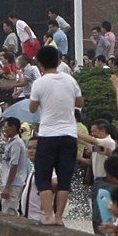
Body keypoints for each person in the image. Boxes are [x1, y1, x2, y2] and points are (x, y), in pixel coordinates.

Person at [28, 45, 83, 225]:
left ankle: (48, 215)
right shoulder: (70, 80)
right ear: (59, 61)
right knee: (64, 177)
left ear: (40, 64)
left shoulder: (40, 82)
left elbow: (32, 107)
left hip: (48, 134)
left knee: (43, 177)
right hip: (69, 134)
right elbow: (80, 101)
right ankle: (59, 216)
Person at [78, 119, 117, 233]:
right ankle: (98, 234)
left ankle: (102, 235)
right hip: (97, 181)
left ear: (103, 130)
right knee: (96, 212)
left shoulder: (108, 142)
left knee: (100, 214)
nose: (92, 134)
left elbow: (92, 141)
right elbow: (88, 144)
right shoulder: (100, 145)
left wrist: (74, 131)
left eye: (94, 131)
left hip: (105, 182)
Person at [0, 118, 28, 214]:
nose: (4, 130)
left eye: (6, 127)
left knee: (9, 211)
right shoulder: (10, 142)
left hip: (14, 183)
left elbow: (14, 166)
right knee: (5, 209)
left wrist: (7, 187)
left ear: (13, 128)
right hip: (10, 182)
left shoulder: (16, 144)